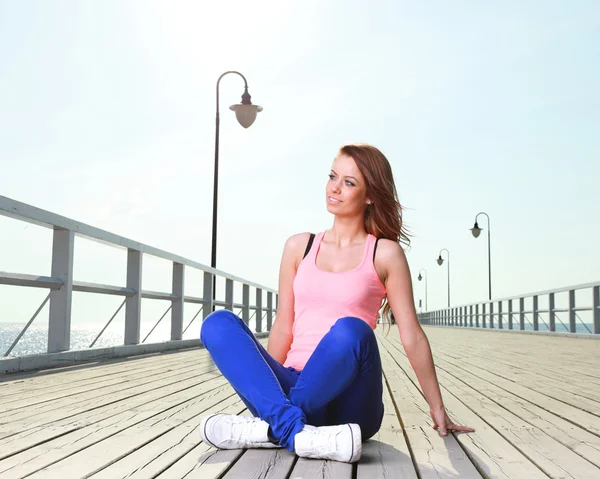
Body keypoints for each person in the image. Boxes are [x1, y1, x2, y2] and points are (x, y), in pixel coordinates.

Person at [198, 143, 475, 463]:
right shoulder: (298, 247)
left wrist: (437, 408)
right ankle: (290, 427)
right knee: (217, 324)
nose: (334, 187)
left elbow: (411, 334)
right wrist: (267, 391)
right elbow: (284, 325)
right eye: (333, 176)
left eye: (349, 182)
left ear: (370, 194)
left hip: (352, 401)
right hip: (293, 384)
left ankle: (270, 429)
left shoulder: (384, 254)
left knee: (352, 330)